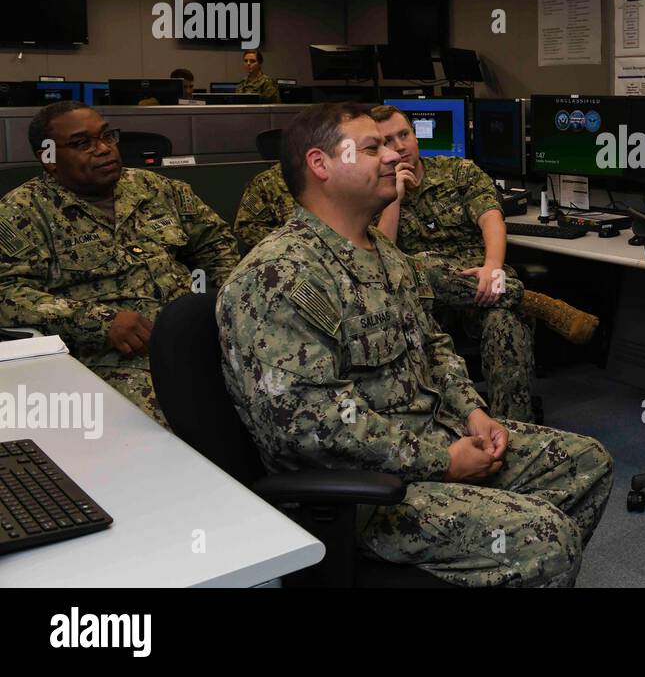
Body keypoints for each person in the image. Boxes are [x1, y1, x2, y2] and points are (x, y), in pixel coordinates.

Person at [216, 103, 612, 586]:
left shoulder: (383, 253)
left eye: (390, 143)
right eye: (371, 147)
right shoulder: (279, 276)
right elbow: (307, 429)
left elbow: (433, 346)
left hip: (435, 437)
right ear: (321, 165)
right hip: (363, 491)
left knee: (587, 465)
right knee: (547, 539)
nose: (392, 156)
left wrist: (473, 413)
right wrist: (443, 461)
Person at [0, 101, 240, 425]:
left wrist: (230, 302)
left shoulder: (155, 188)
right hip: (112, 359)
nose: (104, 150)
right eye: (82, 143)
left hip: (198, 338)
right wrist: (99, 321)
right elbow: (8, 293)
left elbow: (215, 242)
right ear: (49, 158)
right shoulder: (22, 212)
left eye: (107, 136)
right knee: (174, 427)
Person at [371, 104, 599, 423]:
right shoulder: (370, 190)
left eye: (404, 134)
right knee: (417, 265)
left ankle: (516, 430)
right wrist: (393, 196)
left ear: (415, 135)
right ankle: (533, 301)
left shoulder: (458, 171)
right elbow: (381, 252)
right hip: (427, 302)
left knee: (505, 322)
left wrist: (492, 266)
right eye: (387, 141)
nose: (400, 146)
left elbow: (491, 217)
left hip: (488, 284)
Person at [233, 164, 295, 256]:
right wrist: (286, 242)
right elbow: (246, 226)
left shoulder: (319, 181)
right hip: (284, 258)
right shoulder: (263, 182)